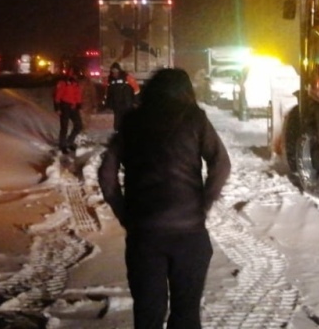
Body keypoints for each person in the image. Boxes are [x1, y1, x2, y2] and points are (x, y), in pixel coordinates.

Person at [98, 67, 231, 329]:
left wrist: (124, 213)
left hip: (144, 235)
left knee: (148, 313)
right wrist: (202, 205)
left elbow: (106, 173)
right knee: (186, 313)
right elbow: (221, 164)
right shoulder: (195, 118)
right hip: (189, 235)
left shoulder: (132, 122)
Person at [104, 61, 140, 132]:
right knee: (117, 121)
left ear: (119, 70)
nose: (114, 73)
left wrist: (136, 101)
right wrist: (108, 104)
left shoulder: (127, 78)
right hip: (116, 105)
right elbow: (108, 93)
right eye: (113, 71)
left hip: (127, 103)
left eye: (116, 71)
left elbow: (136, 89)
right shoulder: (110, 80)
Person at [54, 70, 84, 154]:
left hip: (73, 107)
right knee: (64, 127)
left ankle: (69, 142)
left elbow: (78, 95)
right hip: (64, 106)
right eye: (74, 75)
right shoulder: (64, 83)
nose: (76, 77)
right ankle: (62, 145)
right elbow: (57, 96)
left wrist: (78, 104)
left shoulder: (76, 84)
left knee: (78, 125)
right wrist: (57, 108)